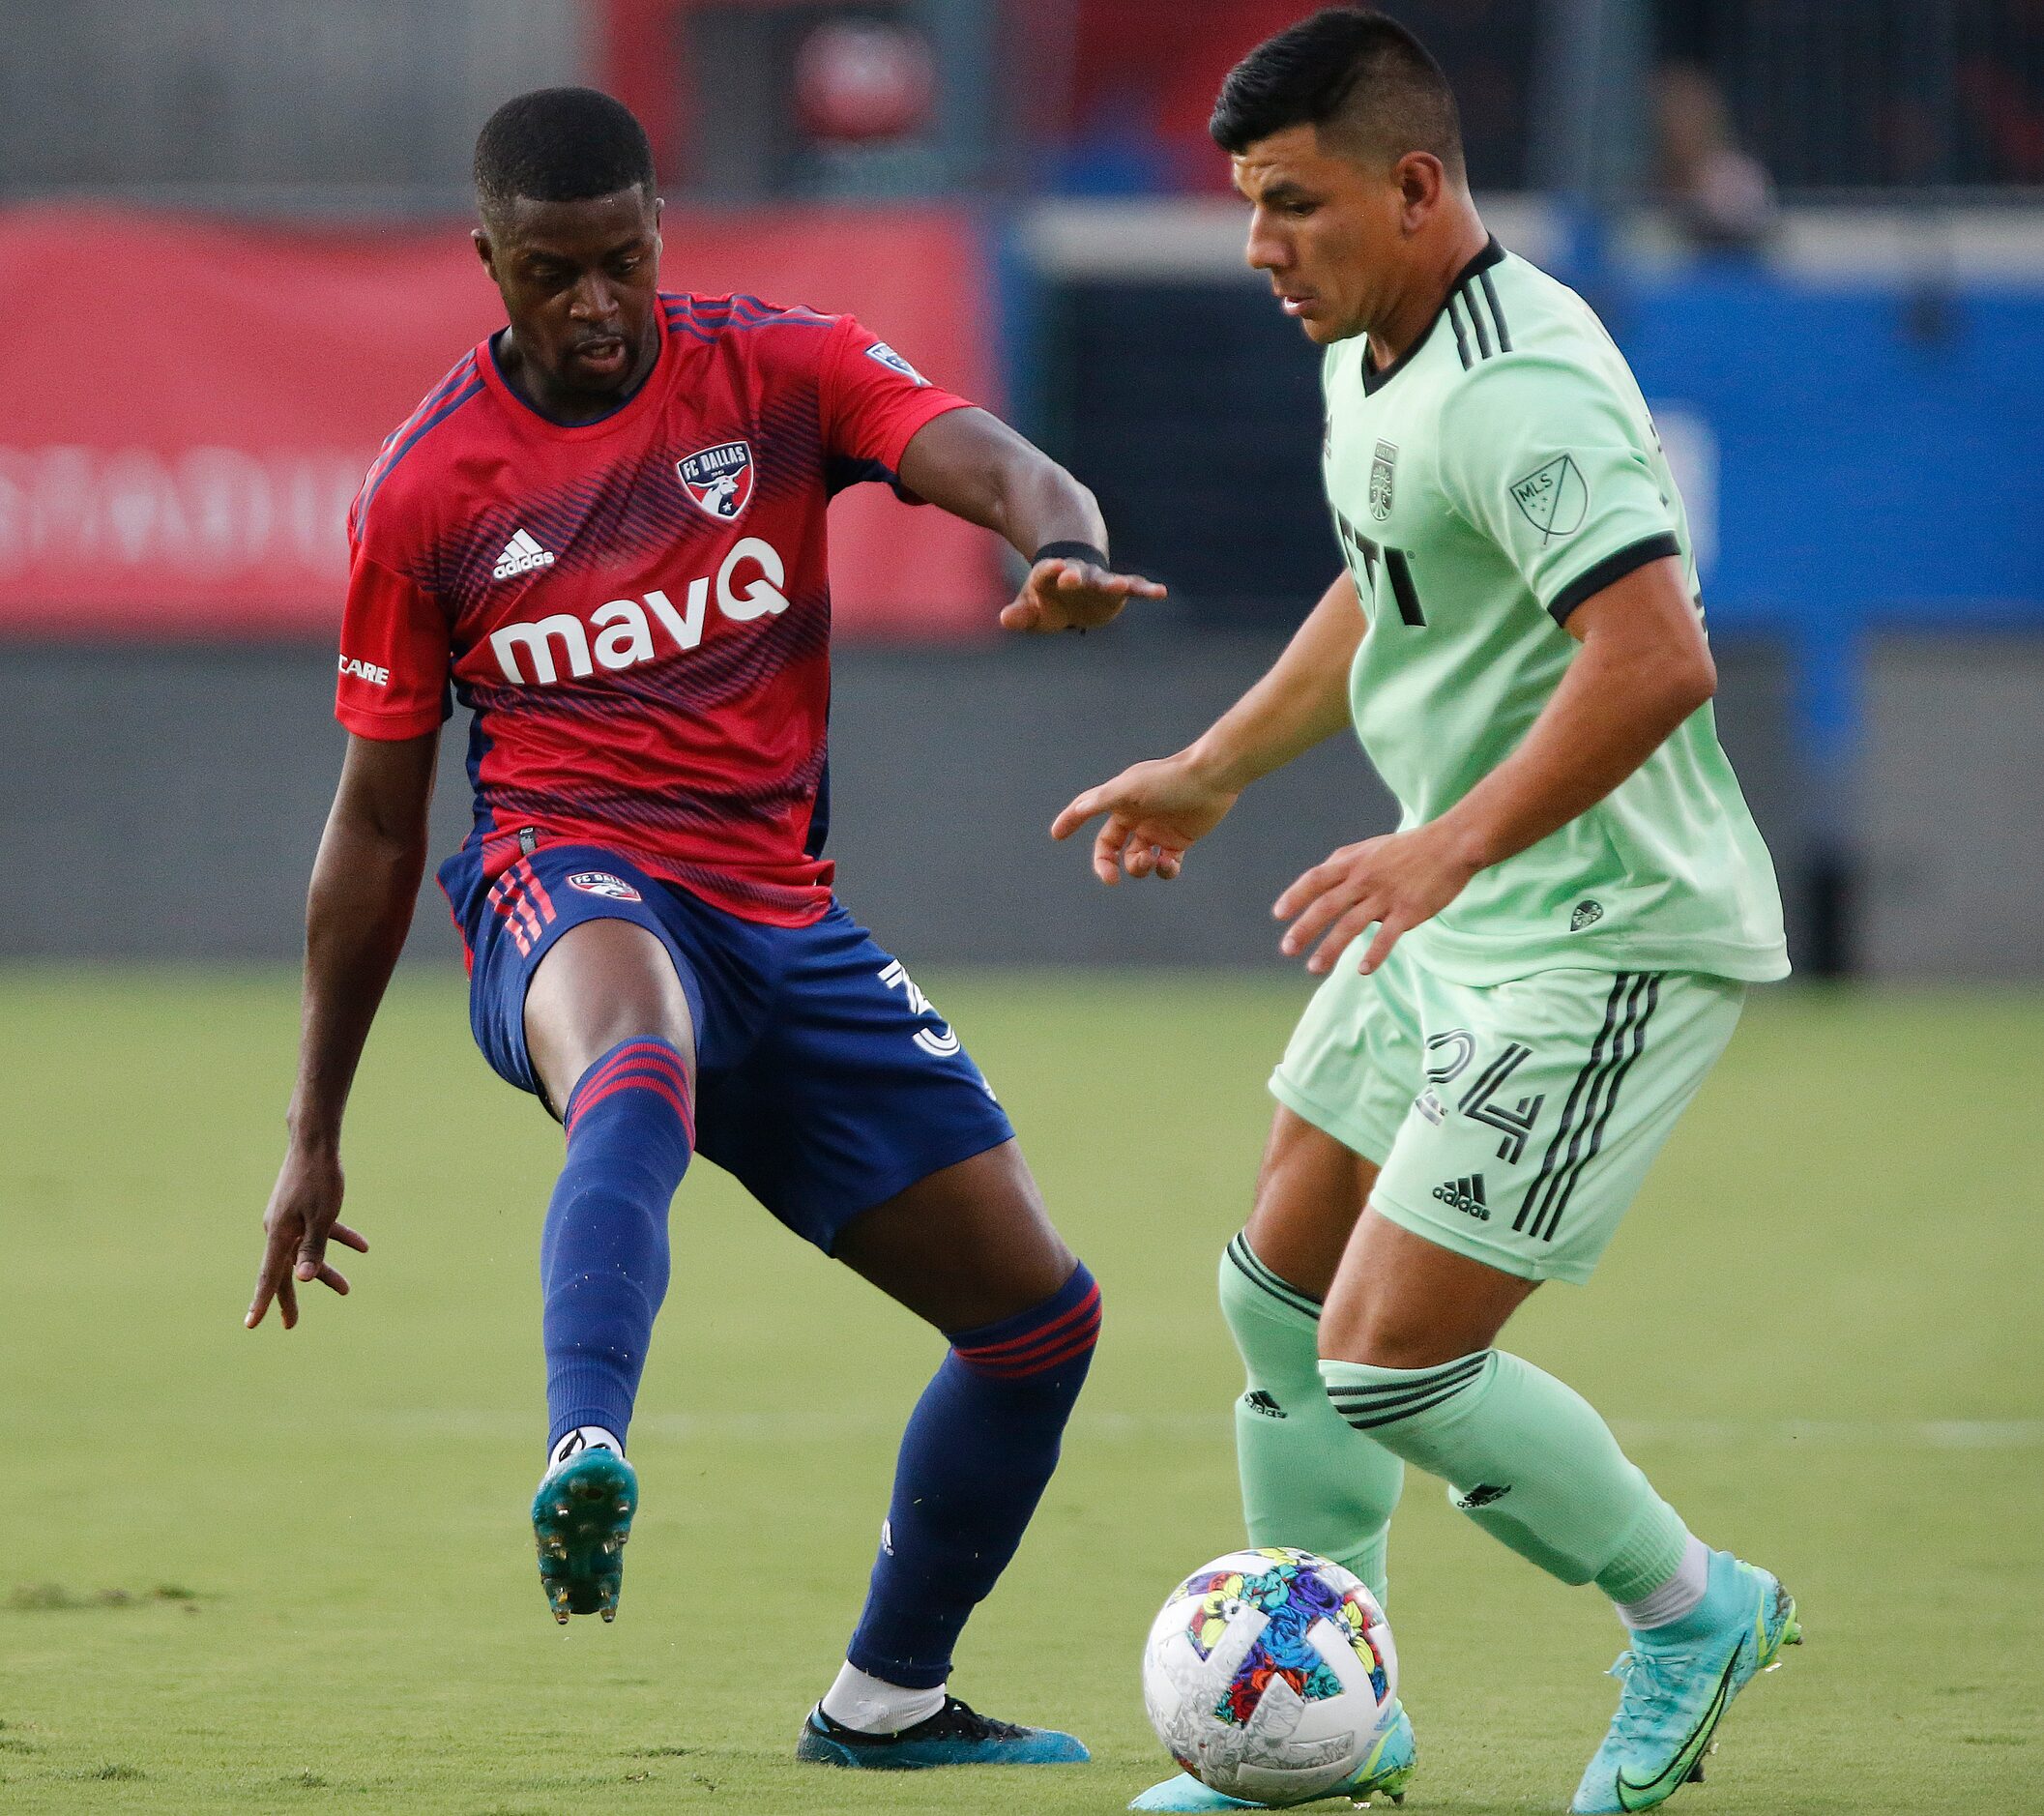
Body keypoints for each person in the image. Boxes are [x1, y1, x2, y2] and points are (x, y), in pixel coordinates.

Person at [245, 85, 1162, 1772]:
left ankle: (885, 1699)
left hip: (782, 920)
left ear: (659, 231)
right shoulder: (430, 489)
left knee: (1039, 1322)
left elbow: (993, 459)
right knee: (637, 1042)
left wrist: (1065, 545)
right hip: (563, 884)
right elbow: (376, 831)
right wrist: (316, 1124)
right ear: (486, 263)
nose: (593, 306)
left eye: (619, 262)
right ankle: (584, 1444)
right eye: (548, 274)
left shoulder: (776, 369)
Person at [1054, 13, 1798, 1813]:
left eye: (1290, 206)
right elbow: (1382, 577)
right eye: (1248, 206)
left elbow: (1655, 660)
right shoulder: (1372, 340)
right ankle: (1333, 1715)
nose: (1257, 249)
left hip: (1598, 928)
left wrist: (1444, 846)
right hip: (1463, 909)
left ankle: (1694, 1613)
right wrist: (1221, 763)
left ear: (1411, 185)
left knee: (1387, 1359)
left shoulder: (1522, 390)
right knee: (1274, 1296)